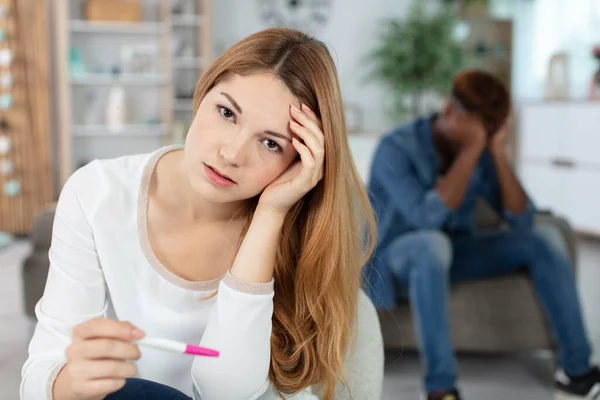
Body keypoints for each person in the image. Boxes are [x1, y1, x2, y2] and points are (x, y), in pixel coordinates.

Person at [21, 28, 377, 400]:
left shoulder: (299, 227)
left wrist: (270, 214)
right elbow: (35, 382)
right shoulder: (99, 194)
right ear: (202, 92)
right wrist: (70, 383)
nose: (232, 154)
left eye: (271, 143)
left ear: (299, 161)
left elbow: (228, 393)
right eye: (226, 113)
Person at [365, 70, 599, 400]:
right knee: (432, 245)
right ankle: (440, 388)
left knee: (540, 242)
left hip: (454, 252)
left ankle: (577, 371)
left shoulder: (483, 150)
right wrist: (470, 152)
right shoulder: (395, 148)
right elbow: (426, 218)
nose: (479, 140)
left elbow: (522, 219)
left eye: (486, 133)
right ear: (449, 110)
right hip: (395, 261)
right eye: (475, 130)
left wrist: (497, 154)